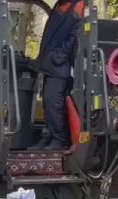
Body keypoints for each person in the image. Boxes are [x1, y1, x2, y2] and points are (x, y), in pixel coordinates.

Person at [31, 0, 84, 151]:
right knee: (47, 103)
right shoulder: (60, 5)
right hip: (49, 62)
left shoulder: (79, 5)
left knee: (53, 101)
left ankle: (59, 139)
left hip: (60, 64)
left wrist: (59, 55)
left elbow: (76, 34)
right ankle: (49, 135)